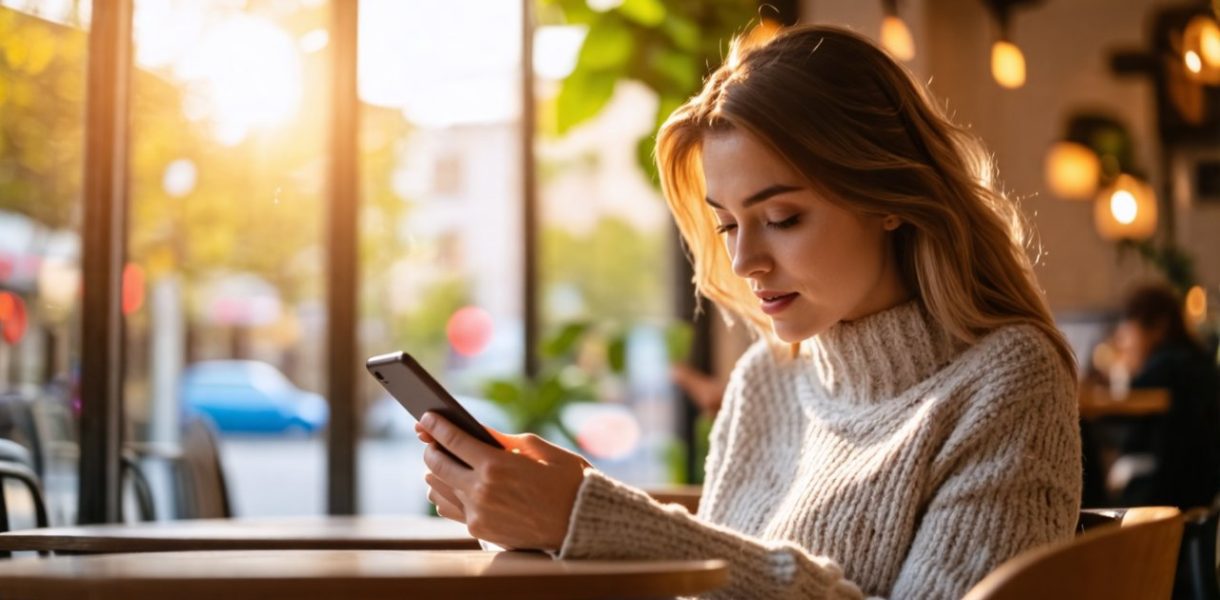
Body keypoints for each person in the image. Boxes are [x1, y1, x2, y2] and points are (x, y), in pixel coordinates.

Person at [415, 24, 1081, 599]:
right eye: (729, 225)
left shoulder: (1008, 381)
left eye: (782, 218)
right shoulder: (768, 379)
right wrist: (561, 521)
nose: (743, 262)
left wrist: (594, 522)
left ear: (890, 197)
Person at [1109, 283, 1220, 508]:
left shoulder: (1166, 365)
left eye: (1132, 331)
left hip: (1169, 491)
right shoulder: (1200, 361)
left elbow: (1122, 413)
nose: (1126, 342)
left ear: (1159, 327)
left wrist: (1122, 373)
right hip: (1205, 490)